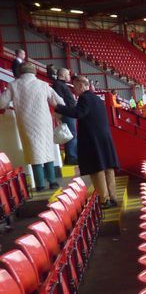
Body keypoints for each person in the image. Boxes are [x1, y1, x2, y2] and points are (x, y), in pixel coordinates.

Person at [55, 76, 120, 207]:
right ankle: (113, 197)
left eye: (74, 86)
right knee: (107, 168)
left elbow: (79, 113)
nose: (74, 90)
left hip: (93, 139)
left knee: (97, 168)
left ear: (80, 85)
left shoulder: (84, 98)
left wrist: (58, 107)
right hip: (104, 137)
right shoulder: (96, 98)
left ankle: (104, 199)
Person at [0, 62, 64, 191]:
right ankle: (52, 181)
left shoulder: (14, 85)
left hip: (26, 122)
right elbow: (59, 101)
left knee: (34, 151)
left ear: (21, 72)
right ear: (34, 72)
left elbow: (2, 103)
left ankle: (40, 184)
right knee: (47, 149)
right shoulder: (43, 84)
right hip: (44, 121)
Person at [52, 68, 79, 165]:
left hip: (70, 112)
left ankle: (72, 156)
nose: (69, 76)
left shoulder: (61, 84)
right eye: (68, 74)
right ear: (63, 75)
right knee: (71, 135)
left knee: (72, 134)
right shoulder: (58, 84)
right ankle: (71, 157)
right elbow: (58, 100)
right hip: (67, 113)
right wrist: (59, 114)